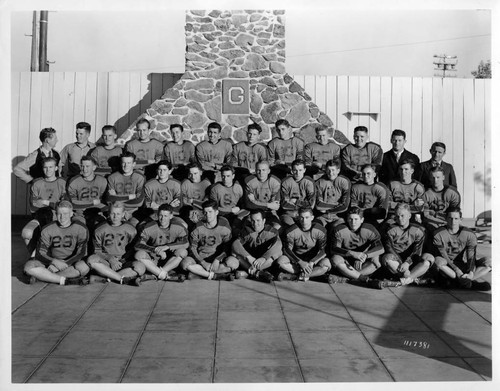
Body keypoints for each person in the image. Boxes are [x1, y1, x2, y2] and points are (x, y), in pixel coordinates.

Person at [23, 201, 90, 285]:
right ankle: (66, 281)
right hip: (51, 261)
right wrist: (54, 262)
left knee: (83, 268)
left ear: (71, 214)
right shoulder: (47, 229)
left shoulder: (81, 228)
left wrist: (65, 263)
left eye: (65, 214)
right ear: (55, 214)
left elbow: (82, 253)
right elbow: (40, 253)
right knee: (28, 267)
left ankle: (42, 277)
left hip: (70, 262)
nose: (62, 217)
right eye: (59, 214)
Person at [87, 202, 145, 285]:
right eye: (112, 213)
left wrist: (121, 261)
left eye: (118, 214)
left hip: (122, 262)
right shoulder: (99, 229)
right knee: (91, 260)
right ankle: (122, 279)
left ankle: (107, 278)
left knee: (140, 267)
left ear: (123, 214)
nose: (115, 216)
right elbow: (97, 251)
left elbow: (132, 249)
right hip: (106, 262)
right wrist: (110, 259)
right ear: (108, 214)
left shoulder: (131, 229)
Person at [433, 207, 491, 291]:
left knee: (490, 262)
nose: (453, 221)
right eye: (450, 218)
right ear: (446, 218)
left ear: (461, 219)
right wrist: (457, 270)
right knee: (437, 261)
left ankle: (466, 281)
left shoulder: (469, 234)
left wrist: (470, 272)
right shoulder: (438, 233)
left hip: (461, 263)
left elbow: (471, 256)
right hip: (447, 265)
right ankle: (468, 284)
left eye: (456, 218)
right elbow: (443, 255)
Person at [329, 207, 387, 288]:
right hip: (346, 261)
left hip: (362, 261)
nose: (353, 222)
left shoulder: (369, 229)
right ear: (347, 219)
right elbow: (333, 249)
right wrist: (351, 253)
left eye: (356, 219)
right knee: (335, 259)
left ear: (362, 220)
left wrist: (364, 255)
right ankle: (362, 278)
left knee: (377, 260)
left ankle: (349, 278)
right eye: (350, 219)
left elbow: (380, 248)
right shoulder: (340, 229)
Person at [180, 200, 236, 281]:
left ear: (216, 212)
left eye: (210, 212)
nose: (207, 215)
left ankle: (200, 274)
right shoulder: (198, 227)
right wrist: (203, 262)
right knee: (185, 264)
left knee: (233, 263)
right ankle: (215, 275)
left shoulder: (224, 227)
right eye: (205, 212)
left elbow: (227, 247)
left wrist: (218, 259)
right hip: (201, 259)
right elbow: (192, 248)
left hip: (217, 260)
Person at [381, 203, 435, 285]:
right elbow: (389, 248)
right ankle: (412, 279)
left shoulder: (418, 230)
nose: (400, 218)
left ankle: (403, 281)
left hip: (412, 260)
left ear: (409, 216)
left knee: (429, 258)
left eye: (402, 215)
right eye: (397, 216)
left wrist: (407, 262)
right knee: (386, 258)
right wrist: (403, 266)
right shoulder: (390, 229)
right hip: (397, 262)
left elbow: (418, 250)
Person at [134, 204, 189, 283]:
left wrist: (167, 247)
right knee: (138, 254)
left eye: (166, 216)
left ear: (171, 216)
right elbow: (138, 245)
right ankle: (163, 275)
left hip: (171, 259)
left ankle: (157, 274)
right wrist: (155, 249)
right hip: (153, 259)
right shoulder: (149, 227)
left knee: (183, 252)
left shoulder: (178, 227)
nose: (162, 219)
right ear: (157, 215)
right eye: (160, 215)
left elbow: (185, 243)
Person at [276, 207, 330, 282]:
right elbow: (287, 250)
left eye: (307, 217)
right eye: (301, 217)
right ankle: (310, 275)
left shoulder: (320, 230)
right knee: (280, 261)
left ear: (312, 217)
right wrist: (300, 262)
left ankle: (302, 275)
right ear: (298, 218)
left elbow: (324, 250)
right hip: (297, 260)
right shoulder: (291, 231)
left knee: (326, 264)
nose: (304, 220)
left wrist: (312, 262)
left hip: (312, 260)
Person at [229, 210, 281, 283]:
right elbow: (235, 244)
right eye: (253, 221)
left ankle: (253, 272)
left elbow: (278, 246)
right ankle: (258, 273)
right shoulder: (247, 230)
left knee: (278, 253)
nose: (255, 224)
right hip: (250, 260)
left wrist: (264, 258)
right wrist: (248, 257)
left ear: (264, 221)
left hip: (263, 261)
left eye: (258, 220)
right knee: (234, 252)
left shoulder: (272, 231)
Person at [66, 156, 108, 225]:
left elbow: (103, 201)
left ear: (94, 167)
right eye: (82, 166)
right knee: (79, 223)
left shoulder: (102, 181)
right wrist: (91, 203)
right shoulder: (74, 181)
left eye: (87, 166)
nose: (84, 169)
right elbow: (72, 203)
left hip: (97, 210)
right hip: (80, 212)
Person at [106, 152, 146, 224]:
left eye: (129, 163)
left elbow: (139, 202)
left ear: (134, 164)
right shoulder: (112, 177)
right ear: (120, 163)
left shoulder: (140, 178)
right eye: (124, 163)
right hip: (116, 211)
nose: (126, 165)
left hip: (134, 212)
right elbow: (109, 200)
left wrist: (116, 197)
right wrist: (131, 197)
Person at [243, 160, 282, 230]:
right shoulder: (249, 181)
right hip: (253, 212)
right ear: (255, 170)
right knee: (247, 227)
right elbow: (249, 204)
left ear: (268, 171)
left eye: (264, 170)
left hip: (269, 212)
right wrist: (268, 205)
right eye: (259, 170)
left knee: (277, 227)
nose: (261, 173)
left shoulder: (275, 182)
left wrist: (254, 201)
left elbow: (275, 206)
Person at [422, 166, 461, 232]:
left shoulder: (453, 194)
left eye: (438, 177)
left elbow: (455, 213)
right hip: (431, 223)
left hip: (449, 222)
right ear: (430, 178)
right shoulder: (425, 194)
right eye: (433, 178)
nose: (435, 180)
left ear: (443, 177)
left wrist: (446, 223)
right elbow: (426, 215)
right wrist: (440, 222)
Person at [314, 159, 351, 227]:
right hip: (322, 216)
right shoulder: (319, 182)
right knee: (317, 228)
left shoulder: (344, 181)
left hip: (339, 216)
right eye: (328, 170)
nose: (331, 173)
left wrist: (327, 210)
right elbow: (318, 205)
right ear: (325, 170)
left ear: (338, 170)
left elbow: (345, 206)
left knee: (338, 230)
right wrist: (337, 205)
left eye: (333, 170)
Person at [280, 159, 315, 228]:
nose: (298, 173)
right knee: (291, 228)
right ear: (291, 171)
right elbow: (284, 205)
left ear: (304, 170)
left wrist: (296, 201)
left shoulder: (309, 182)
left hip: (304, 214)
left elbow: (311, 205)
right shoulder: (285, 182)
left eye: (300, 170)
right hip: (289, 214)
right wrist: (303, 203)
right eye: (295, 170)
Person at [180, 162, 211, 228]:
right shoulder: (185, 183)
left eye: (195, 173)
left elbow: (207, 203)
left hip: (202, 210)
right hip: (189, 211)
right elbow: (184, 201)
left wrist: (193, 201)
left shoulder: (206, 184)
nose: (193, 177)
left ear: (201, 172)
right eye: (191, 174)